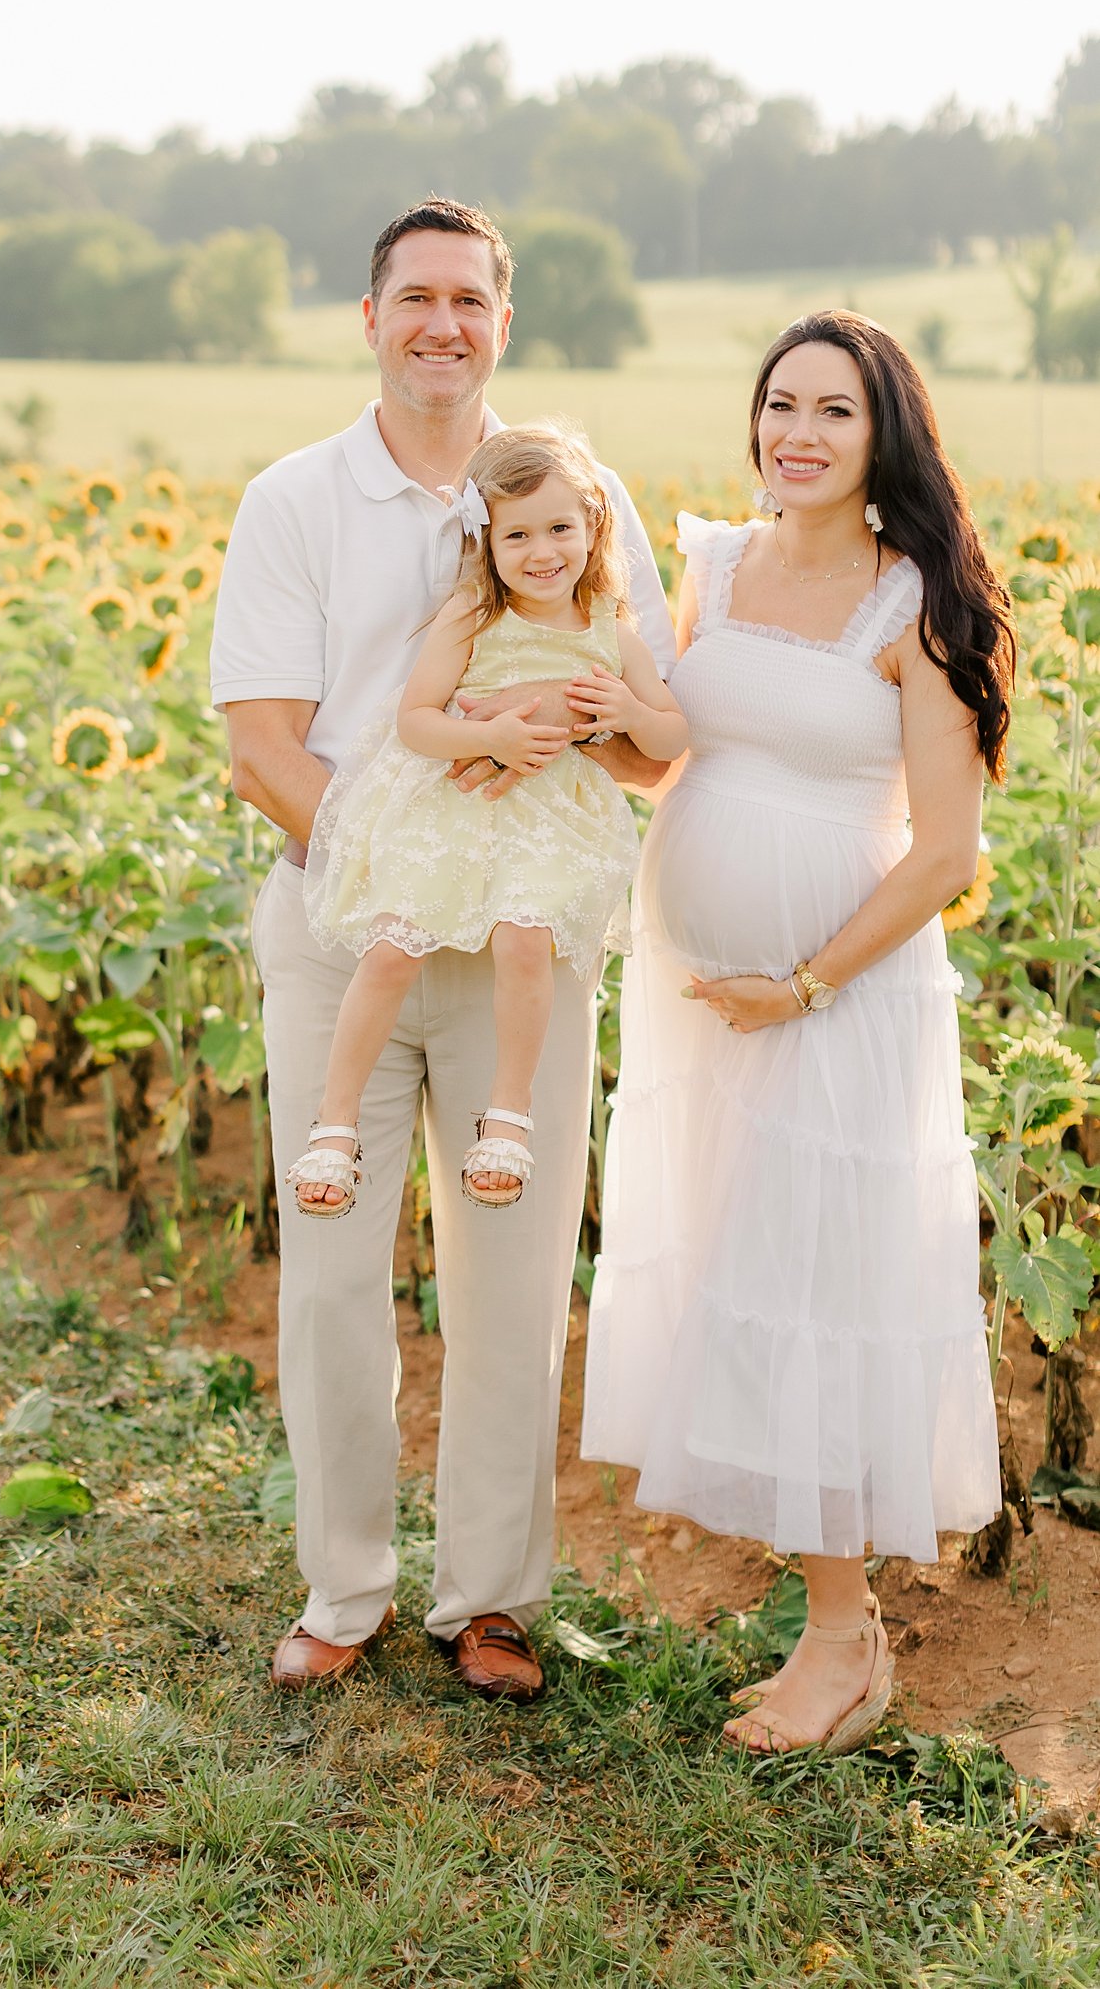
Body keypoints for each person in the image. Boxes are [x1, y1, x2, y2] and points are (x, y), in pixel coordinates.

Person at [211, 197, 675, 1700]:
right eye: (415, 297)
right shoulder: (294, 500)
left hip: (524, 950)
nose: (442, 324)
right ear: (370, 317)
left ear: (503, 324)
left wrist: (577, 741)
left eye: (470, 299)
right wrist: (404, 855)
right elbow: (263, 746)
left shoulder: (581, 504)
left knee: (515, 1272)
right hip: (350, 935)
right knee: (335, 1274)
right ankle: (342, 1587)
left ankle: (490, 1598)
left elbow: (651, 741)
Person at [579, 310, 1014, 1754]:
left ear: (884, 431)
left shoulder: (918, 606)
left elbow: (944, 855)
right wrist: (596, 715)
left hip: (836, 1005)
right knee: (733, 1273)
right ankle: (823, 1628)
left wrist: (807, 982)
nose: (798, 433)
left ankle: (845, 1638)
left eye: (832, 408)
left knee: (813, 1289)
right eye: (779, 404)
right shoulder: (714, 564)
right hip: (708, 1006)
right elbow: (676, 755)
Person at [290, 422, 686, 1221]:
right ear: (486, 540)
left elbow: (673, 737)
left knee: (523, 938)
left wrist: (627, 708)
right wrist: (491, 737)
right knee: (394, 947)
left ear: (594, 527)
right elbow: (417, 721)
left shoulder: (611, 628)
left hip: (548, 824)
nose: (543, 552)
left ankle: (507, 1115)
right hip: (460, 807)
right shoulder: (474, 612)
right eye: (518, 535)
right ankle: (335, 1119)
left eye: (560, 529)